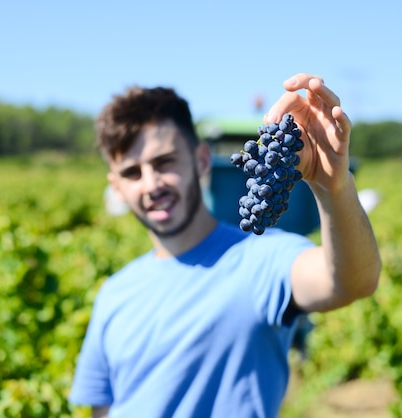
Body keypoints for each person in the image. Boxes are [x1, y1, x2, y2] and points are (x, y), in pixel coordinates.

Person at [69, 73, 382, 418]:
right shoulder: (114, 294)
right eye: (132, 172)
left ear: (201, 160)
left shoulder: (260, 259)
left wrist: (333, 188)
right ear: (116, 187)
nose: (151, 184)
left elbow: (352, 281)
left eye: (164, 162)